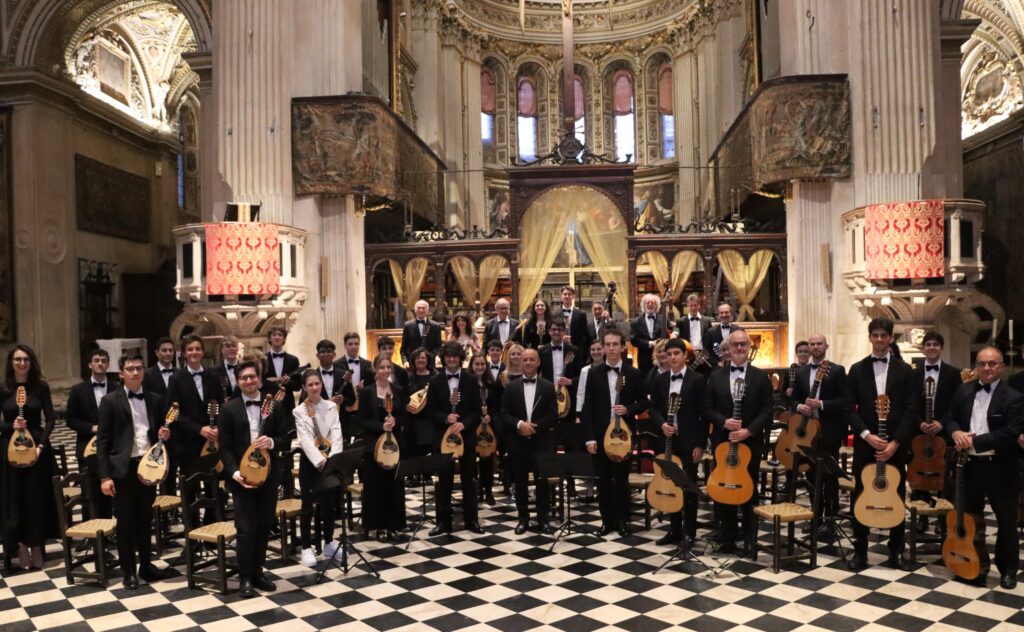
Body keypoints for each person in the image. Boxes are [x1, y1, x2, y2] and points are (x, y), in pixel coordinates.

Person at [943, 346, 1024, 589]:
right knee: (969, 518)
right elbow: (948, 417)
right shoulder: (964, 389)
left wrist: (973, 441)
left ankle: (1008, 569)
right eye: (982, 363)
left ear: (1001, 366)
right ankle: (975, 566)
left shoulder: (1014, 397)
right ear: (976, 366)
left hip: (1001, 467)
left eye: (992, 363)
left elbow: (1010, 433)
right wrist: (955, 431)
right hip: (970, 466)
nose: (987, 368)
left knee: (1007, 521)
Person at [96, 352, 174, 589]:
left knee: (144, 519)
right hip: (122, 469)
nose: (136, 372)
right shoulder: (110, 401)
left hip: (148, 467)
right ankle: (129, 570)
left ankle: (146, 566)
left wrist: (165, 435)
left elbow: (159, 432)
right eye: (130, 368)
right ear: (121, 374)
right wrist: (105, 476)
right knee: (125, 522)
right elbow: (102, 441)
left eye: (139, 368)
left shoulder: (155, 398)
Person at [845, 317, 916, 571]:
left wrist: (896, 442)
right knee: (860, 493)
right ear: (869, 337)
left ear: (890, 338)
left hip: (894, 445)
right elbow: (847, 408)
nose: (879, 340)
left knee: (895, 493)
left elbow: (911, 410)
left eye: (883, 336)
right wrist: (865, 434)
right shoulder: (857, 369)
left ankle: (896, 549)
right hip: (866, 444)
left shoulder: (905, 370)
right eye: (874, 335)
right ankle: (860, 550)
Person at [217, 360, 293, 598]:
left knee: (264, 525)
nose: (249, 381)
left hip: (268, 476)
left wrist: (270, 442)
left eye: (252, 377)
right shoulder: (229, 409)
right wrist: (234, 473)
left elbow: (286, 439)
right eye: (243, 378)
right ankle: (245, 577)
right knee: (245, 529)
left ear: (259, 378)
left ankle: (258, 572)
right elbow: (225, 448)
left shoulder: (275, 405)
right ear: (237, 382)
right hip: (242, 478)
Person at [705, 330, 773, 556]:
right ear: (729, 348)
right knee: (723, 490)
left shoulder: (760, 377)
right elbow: (707, 409)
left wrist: (748, 431)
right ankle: (727, 538)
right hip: (723, 442)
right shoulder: (716, 377)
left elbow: (767, 410)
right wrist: (724, 422)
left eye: (743, 344)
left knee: (749, 491)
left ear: (749, 346)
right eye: (735, 345)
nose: (739, 348)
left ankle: (750, 538)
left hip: (749, 443)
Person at [581, 329, 648, 537]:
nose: (610, 349)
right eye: (607, 345)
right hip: (601, 436)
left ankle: (622, 521)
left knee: (621, 480)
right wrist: (590, 437)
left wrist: (628, 409)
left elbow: (645, 402)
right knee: (603, 480)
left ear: (622, 347)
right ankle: (606, 521)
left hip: (624, 437)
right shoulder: (594, 373)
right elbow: (587, 408)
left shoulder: (634, 373)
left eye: (614, 344)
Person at [0, 344, 58, 570]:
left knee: (36, 498)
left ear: (31, 362)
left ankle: (37, 545)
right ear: (11, 363)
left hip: (36, 448)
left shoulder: (40, 387)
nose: (22, 363)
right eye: (17, 360)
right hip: (10, 449)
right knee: (16, 499)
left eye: (26, 359)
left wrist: (41, 446)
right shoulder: (3, 388)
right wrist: (8, 425)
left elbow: (51, 418)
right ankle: (21, 546)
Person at [645, 338, 707, 547]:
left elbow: (703, 415)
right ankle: (674, 530)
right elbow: (652, 408)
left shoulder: (698, 380)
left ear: (685, 356)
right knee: (670, 484)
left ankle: (689, 532)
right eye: (668, 354)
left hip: (689, 442)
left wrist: (700, 444)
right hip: (667, 441)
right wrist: (662, 424)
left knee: (688, 487)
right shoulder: (659, 380)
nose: (672, 357)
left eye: (676, 354)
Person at [790, 334, 849, 539]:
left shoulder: (838, 371)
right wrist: (800, 406)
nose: (815, 347)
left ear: (826, 346)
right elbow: (793, 399)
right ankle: (816, 518)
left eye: (819, 344)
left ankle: (830, 521)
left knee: (829, 479)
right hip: (807, 434)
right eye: (812, 344)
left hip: (828, 431)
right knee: (811, 478)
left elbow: (845, 401)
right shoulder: (802, 371)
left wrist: (821, 404)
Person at [427, 341, 483, 535]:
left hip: (466, 437)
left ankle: (472, 520)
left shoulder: (470, 380)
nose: (451, 359)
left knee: (469, 479)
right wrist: (446, 419)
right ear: (443, 358)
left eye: (455, 356)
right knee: (444, 482)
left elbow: (477, 411)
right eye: (448, 356)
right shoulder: (435, 381)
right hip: (442, 438)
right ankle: (443, 522)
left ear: (460, 358)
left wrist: (463, 424)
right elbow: (430, 411)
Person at [501, 348, 557, 534]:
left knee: (542, 482)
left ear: (538, 362)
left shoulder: (548, 387)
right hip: (518, 442)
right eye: (524, 359)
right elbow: (504, 413)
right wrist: (519, 425)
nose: (527, 362)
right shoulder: (510, 387)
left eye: (532, 359)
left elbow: (553, 414)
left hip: (541, 442)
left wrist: (534, 427)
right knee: (520, 481)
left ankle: (543, 519)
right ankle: (522, 519)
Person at [293, 369, 344, 567]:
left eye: (317, 383)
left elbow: (336, 434)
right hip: (311, 462)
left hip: (330, 460)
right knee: (307, 506)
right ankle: (307, 547)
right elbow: (304, 440)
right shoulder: (299, 411)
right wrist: (320, 461)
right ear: (304, 387)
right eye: (310, 385)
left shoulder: (331, 406)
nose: (315, 387)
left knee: (329, 504)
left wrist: (333, 460)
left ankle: (329, 542)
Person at [358, 355, 408, 542]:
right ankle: (378, 525)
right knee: (376, 486)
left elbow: (405, 417)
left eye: (388, 367)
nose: (385, 371)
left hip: (395, 445)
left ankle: (394, 525)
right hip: (373, 447)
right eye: (382, 367)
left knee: (394, 486)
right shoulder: (366, 392)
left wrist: (396, 422)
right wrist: (381, 427)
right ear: (375, 369)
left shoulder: (399, 390)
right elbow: (362, 420)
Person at [66, 348, 118, 521]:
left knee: (111, 489)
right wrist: (92, 428)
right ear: (90, 364)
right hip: (86, 447)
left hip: (112, 448)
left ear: (108, 364)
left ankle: (110, 530)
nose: (100, 363)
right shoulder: (78, 389)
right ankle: (91, 533)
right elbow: (71, 419)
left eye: (103, 360)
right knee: (89, 492)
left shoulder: (117, 388)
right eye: (96, 360)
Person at [165, 334, 224, 478]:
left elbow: (221, 406)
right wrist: (199, 429)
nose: (194, 352)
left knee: (214, 485)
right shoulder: (176, 379)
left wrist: (217, 427)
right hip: (187, 442)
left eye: (198, 349)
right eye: (190, 349)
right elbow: (173, 412)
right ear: (184, 353)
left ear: (203, 352)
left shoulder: (214, 377)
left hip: (212, 441)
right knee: (190, 487)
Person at [470, 353, 502, 505]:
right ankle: (476, 490)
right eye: (477, 364)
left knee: (487, 460)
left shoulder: (492, 384)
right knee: (472, 459)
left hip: (488, 426)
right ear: (472, 365)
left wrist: (490, 416)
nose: (480, 367)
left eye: (483, 364)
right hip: (472, 426)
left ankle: (488, 491)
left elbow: (497, 407)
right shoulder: (467, 383)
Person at [338, 331, 373, 440]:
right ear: (345, 345)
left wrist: (365, 387)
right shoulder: (337, 364)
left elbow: (372, 386)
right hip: (343, 409)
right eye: (350, 344)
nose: (354, 346)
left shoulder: (367, 364)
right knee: (344, 440)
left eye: (356, 344)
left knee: (362, 440)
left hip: (362, 407)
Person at [405, 347, 435, 459]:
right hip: (413, 419)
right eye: (417, 358)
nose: (420, 360)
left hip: (430, 419)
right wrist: (407, 405)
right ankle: (415, 475)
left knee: (430, 449)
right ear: (413, 360)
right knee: (414, 450)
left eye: (423, 357)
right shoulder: (408, 376)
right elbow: (403, 395)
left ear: (427, 360)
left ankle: (428, 474)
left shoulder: (435, 376)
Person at [264, 326, 302, 411]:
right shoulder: (263, 359)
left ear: (284, 339)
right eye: (274, 335)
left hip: (287, 404)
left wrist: (289, 382)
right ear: (269, 339)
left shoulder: (293, 360)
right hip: (268, 402)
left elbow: (298, 386)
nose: (277, 337)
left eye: (280, 335)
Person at [630, 293, 668, 374]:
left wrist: (675, 333)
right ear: (644, 305)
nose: (650, 304)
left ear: (656, 305)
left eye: (652, 303)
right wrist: (650, 343)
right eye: (648, 303)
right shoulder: (636, 322)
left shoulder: (663, 319)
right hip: (644, 358)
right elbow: (633, 340)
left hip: (661, 357)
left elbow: (675, 327)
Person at [401, 299, 443, 366]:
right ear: (415, 310)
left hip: (430, 363)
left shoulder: (435, 326)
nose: (421, 310)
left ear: (427, 311)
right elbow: (404, 348)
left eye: (423, 308)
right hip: (412, 362)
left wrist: (429, 356)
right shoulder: (408, 325)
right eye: (419, 308)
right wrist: (405, 361)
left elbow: (439, 346)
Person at [703, 304, 743, 368]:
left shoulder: (739, 331)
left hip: (736, 367)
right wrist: (717, 363)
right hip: (717, 369)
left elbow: (743, 349)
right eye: (721, 313)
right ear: (718, 315)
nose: (724, 315)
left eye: (726, 312)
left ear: (731, 314)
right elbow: (706, 353)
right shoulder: (710, 332)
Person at [556, 286, 591, 351]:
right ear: (561, 297)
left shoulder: (581, 314)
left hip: (576, 349)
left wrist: (572, 339)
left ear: (573, 297)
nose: (567, 296)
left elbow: (584, 335)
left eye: (569, 294)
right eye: (565, 294)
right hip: (559, 348)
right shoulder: (555, 314)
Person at [779, 340, 811, 408]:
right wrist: (786, 393)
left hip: (809, 406)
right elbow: (781, 394)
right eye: (800, 352)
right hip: (793, 407)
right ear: (796, 354)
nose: (803, 354)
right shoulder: (789, 371)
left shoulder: (813, 370)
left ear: (810, 354)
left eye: (806, 351)